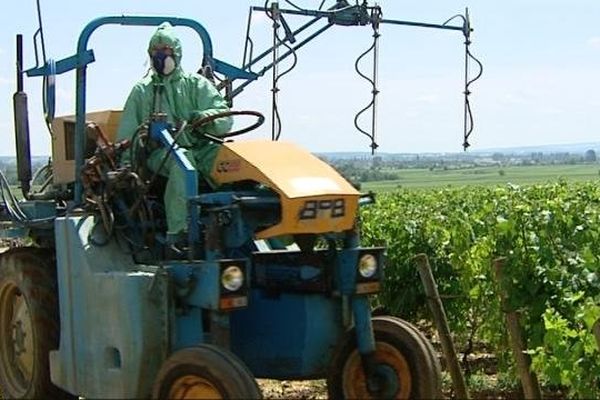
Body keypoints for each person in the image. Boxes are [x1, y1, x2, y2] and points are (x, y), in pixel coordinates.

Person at [116, 22, 233, 240]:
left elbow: (224, 118)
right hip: (160, 154)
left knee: (236, 161)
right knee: (183, 163)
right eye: (155, 52)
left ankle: (271, 232)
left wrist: (205, 117)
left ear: (176, 53)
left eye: (166, 51)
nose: (160, 56)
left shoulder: (196, 84)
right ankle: (180, 235)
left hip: (201, 148)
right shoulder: (142, 91)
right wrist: (126, 169)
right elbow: (128, 133)